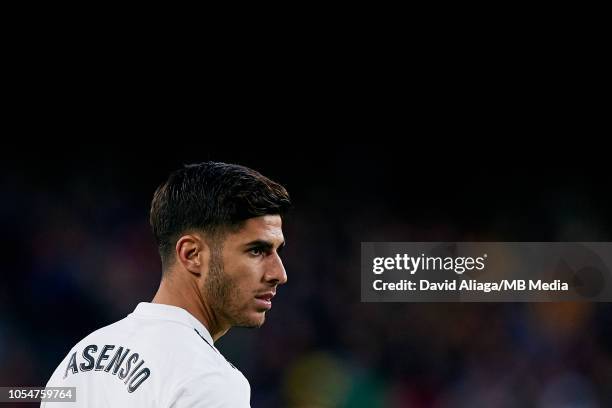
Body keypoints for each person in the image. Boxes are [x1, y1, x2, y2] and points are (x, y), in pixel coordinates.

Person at [42, 161, 291, 407]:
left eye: (278, 251)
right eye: (257, 250)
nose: (279, 274)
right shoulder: (209, 380)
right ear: (192, 254)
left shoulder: (76, 361)